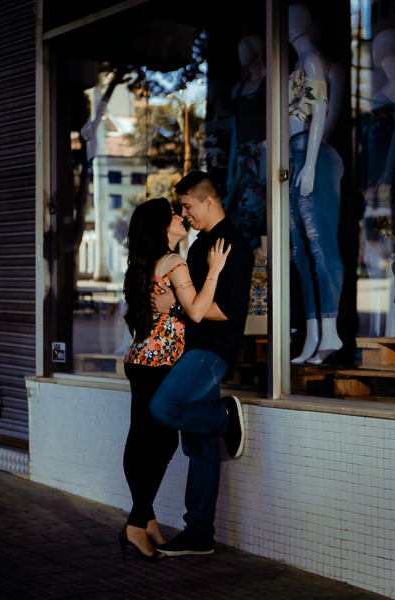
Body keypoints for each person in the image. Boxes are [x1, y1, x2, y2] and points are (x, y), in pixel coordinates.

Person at [118, 197, 231, 561]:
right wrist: (214, 269)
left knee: (140, 439)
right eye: (174, 216)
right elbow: (197, 312)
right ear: (162, 227)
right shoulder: (174, 262)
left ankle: (145, 518)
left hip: (139, 360)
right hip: (161, 363)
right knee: (160, 443)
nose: (181, 218)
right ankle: (136, 524)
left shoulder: (141, 264)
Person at [148, 171, 253, 557]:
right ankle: (199, 534)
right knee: (200, 445)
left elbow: (228, 309)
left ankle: (225, 416)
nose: (185, 213)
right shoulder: (199, 245)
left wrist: (176, 306)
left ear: (208, 201)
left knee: (164, 408)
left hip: (212, 351)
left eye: (189, 206)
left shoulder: (234, 247)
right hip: (191, 349)